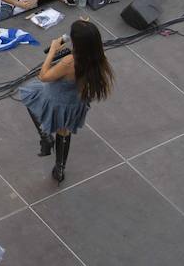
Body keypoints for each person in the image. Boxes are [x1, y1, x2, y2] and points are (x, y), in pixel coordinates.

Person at [16, 20, 114, 182]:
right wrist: (84, 27)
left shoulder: (69, 62)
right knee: (64, 131)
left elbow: (44, 76)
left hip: (56, 98)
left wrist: (52, 51)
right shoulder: (97, 58)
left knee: (29, 96)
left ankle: (46, 136)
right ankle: (60, 168)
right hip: (74, 102)